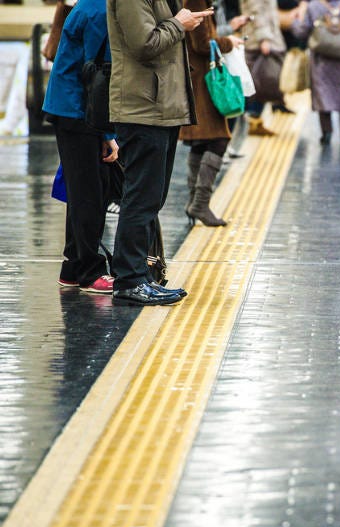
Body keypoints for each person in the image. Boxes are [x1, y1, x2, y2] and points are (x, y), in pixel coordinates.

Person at [107, 0, 213, 306]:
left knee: (152, 197)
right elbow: (144, 44)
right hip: (142, 109)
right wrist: (180, 24)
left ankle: (140, 274)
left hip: (161, 108)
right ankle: (129, 279)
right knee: (141, 197)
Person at [42, 0, 118, 294]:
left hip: (69, 107)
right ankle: (90, 271)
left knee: (80, 189)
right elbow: (99, 74)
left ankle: (73, 268)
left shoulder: (90, 5)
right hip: (78, 110)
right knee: (90, 192)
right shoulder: (101, 11)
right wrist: (107, 132)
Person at [180, 0, 244, 227]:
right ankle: (199, 203)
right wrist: (229, 42)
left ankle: (194, 201)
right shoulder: (196, 0)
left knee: (201, 141)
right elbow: (202, 44)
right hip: (203, 82)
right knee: (219, 138)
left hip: (198, 78)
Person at [293, 0, 340, 144]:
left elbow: (302, 32)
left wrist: (294, 23)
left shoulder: (314, 6)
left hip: (321, 61)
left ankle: (326, 132)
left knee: (322, 93)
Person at [242, 0, 287, 135]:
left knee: (260, 81)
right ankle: (253, 120)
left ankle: (255, 121)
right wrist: (264, 38)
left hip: (261, 39)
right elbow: (257, 12)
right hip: (258, 41)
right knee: (260, 82)